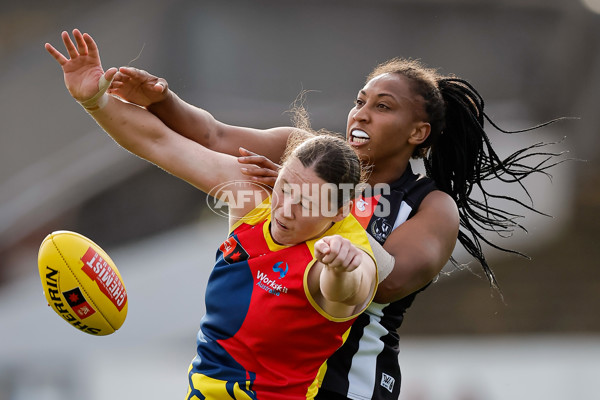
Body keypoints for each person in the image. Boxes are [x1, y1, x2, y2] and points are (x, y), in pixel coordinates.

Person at [106, 41, 565, 400]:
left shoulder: (432, 206)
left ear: (418, 133)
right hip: (273, 376)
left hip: (350, 384)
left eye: (383, 107)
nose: (361, 114)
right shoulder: (305, 156)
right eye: (360, 100)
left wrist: (308, 206)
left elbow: (383, 284)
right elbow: (214, 135)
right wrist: (162, 100)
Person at [45, 29, 379, 400]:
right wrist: (95, 99)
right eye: (285, 188)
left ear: (337, 213)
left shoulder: (344, 253)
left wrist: (342, 268)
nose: (285, 209)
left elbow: (348, 291)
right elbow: (160, 143)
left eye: (307, 203)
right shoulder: (255, 202)